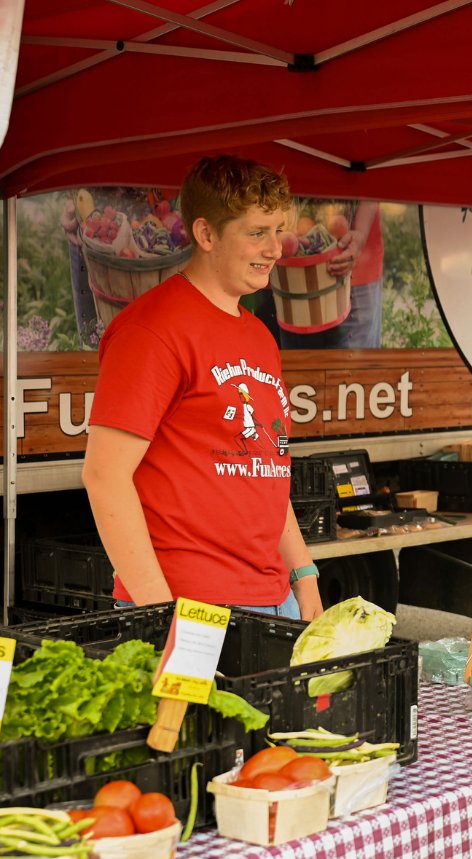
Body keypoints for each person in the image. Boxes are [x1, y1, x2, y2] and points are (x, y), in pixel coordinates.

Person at [82, 155, 324, 621]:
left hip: (276, 598)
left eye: (278, 230)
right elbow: (104, 477)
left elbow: (266, 466)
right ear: (206, 234)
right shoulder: (151, 331)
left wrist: (304, 574)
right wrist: (158, 610)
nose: (276, 248)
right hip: (190, 604)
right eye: (257, 233)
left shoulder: (256, 334)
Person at [274, 200, 384, 350]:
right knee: (296, 367)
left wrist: (360, 234)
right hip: (288, 279)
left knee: (356, 369)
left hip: (355, 268)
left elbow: (376, 180)